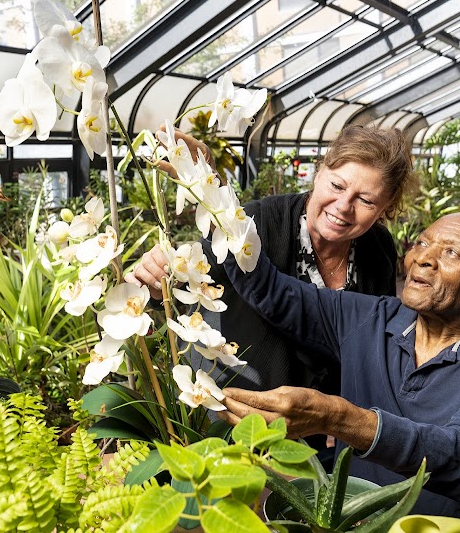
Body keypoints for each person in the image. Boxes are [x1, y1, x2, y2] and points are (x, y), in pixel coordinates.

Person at [217, 211, 460, 532]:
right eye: (422, 243)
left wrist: (339, 418)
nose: (422, 258)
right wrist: (209, 186)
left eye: (452, 253)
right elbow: (271, 289)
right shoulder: (369, 317)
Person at [128, 125, 418, 401]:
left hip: (313, 428)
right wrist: (158, 276)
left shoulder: (377, 249)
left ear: (385, 208)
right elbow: (194, 270)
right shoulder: (260, 222)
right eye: (337, 185)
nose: (343, 206)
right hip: (235, 410)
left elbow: (369, 340)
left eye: (365, 200)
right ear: (318, 173)